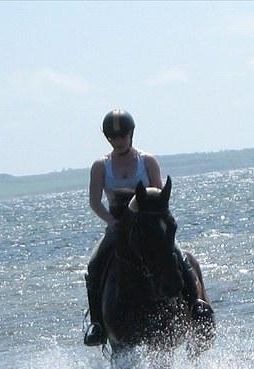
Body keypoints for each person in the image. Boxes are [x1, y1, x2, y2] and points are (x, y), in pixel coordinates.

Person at [83, 108, 211, 346]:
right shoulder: (100, 166)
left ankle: (195, 304)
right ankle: (98, 325)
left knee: (180, 256)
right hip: (118, 226)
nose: (119, 141)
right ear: (108, 138)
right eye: (114, 137)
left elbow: (159, 194)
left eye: (123, 136)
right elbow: (94, 201)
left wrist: (150, 217)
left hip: (148, 224)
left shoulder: (147, 161)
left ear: (131, 134)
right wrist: (111, 222)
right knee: (94, 265)